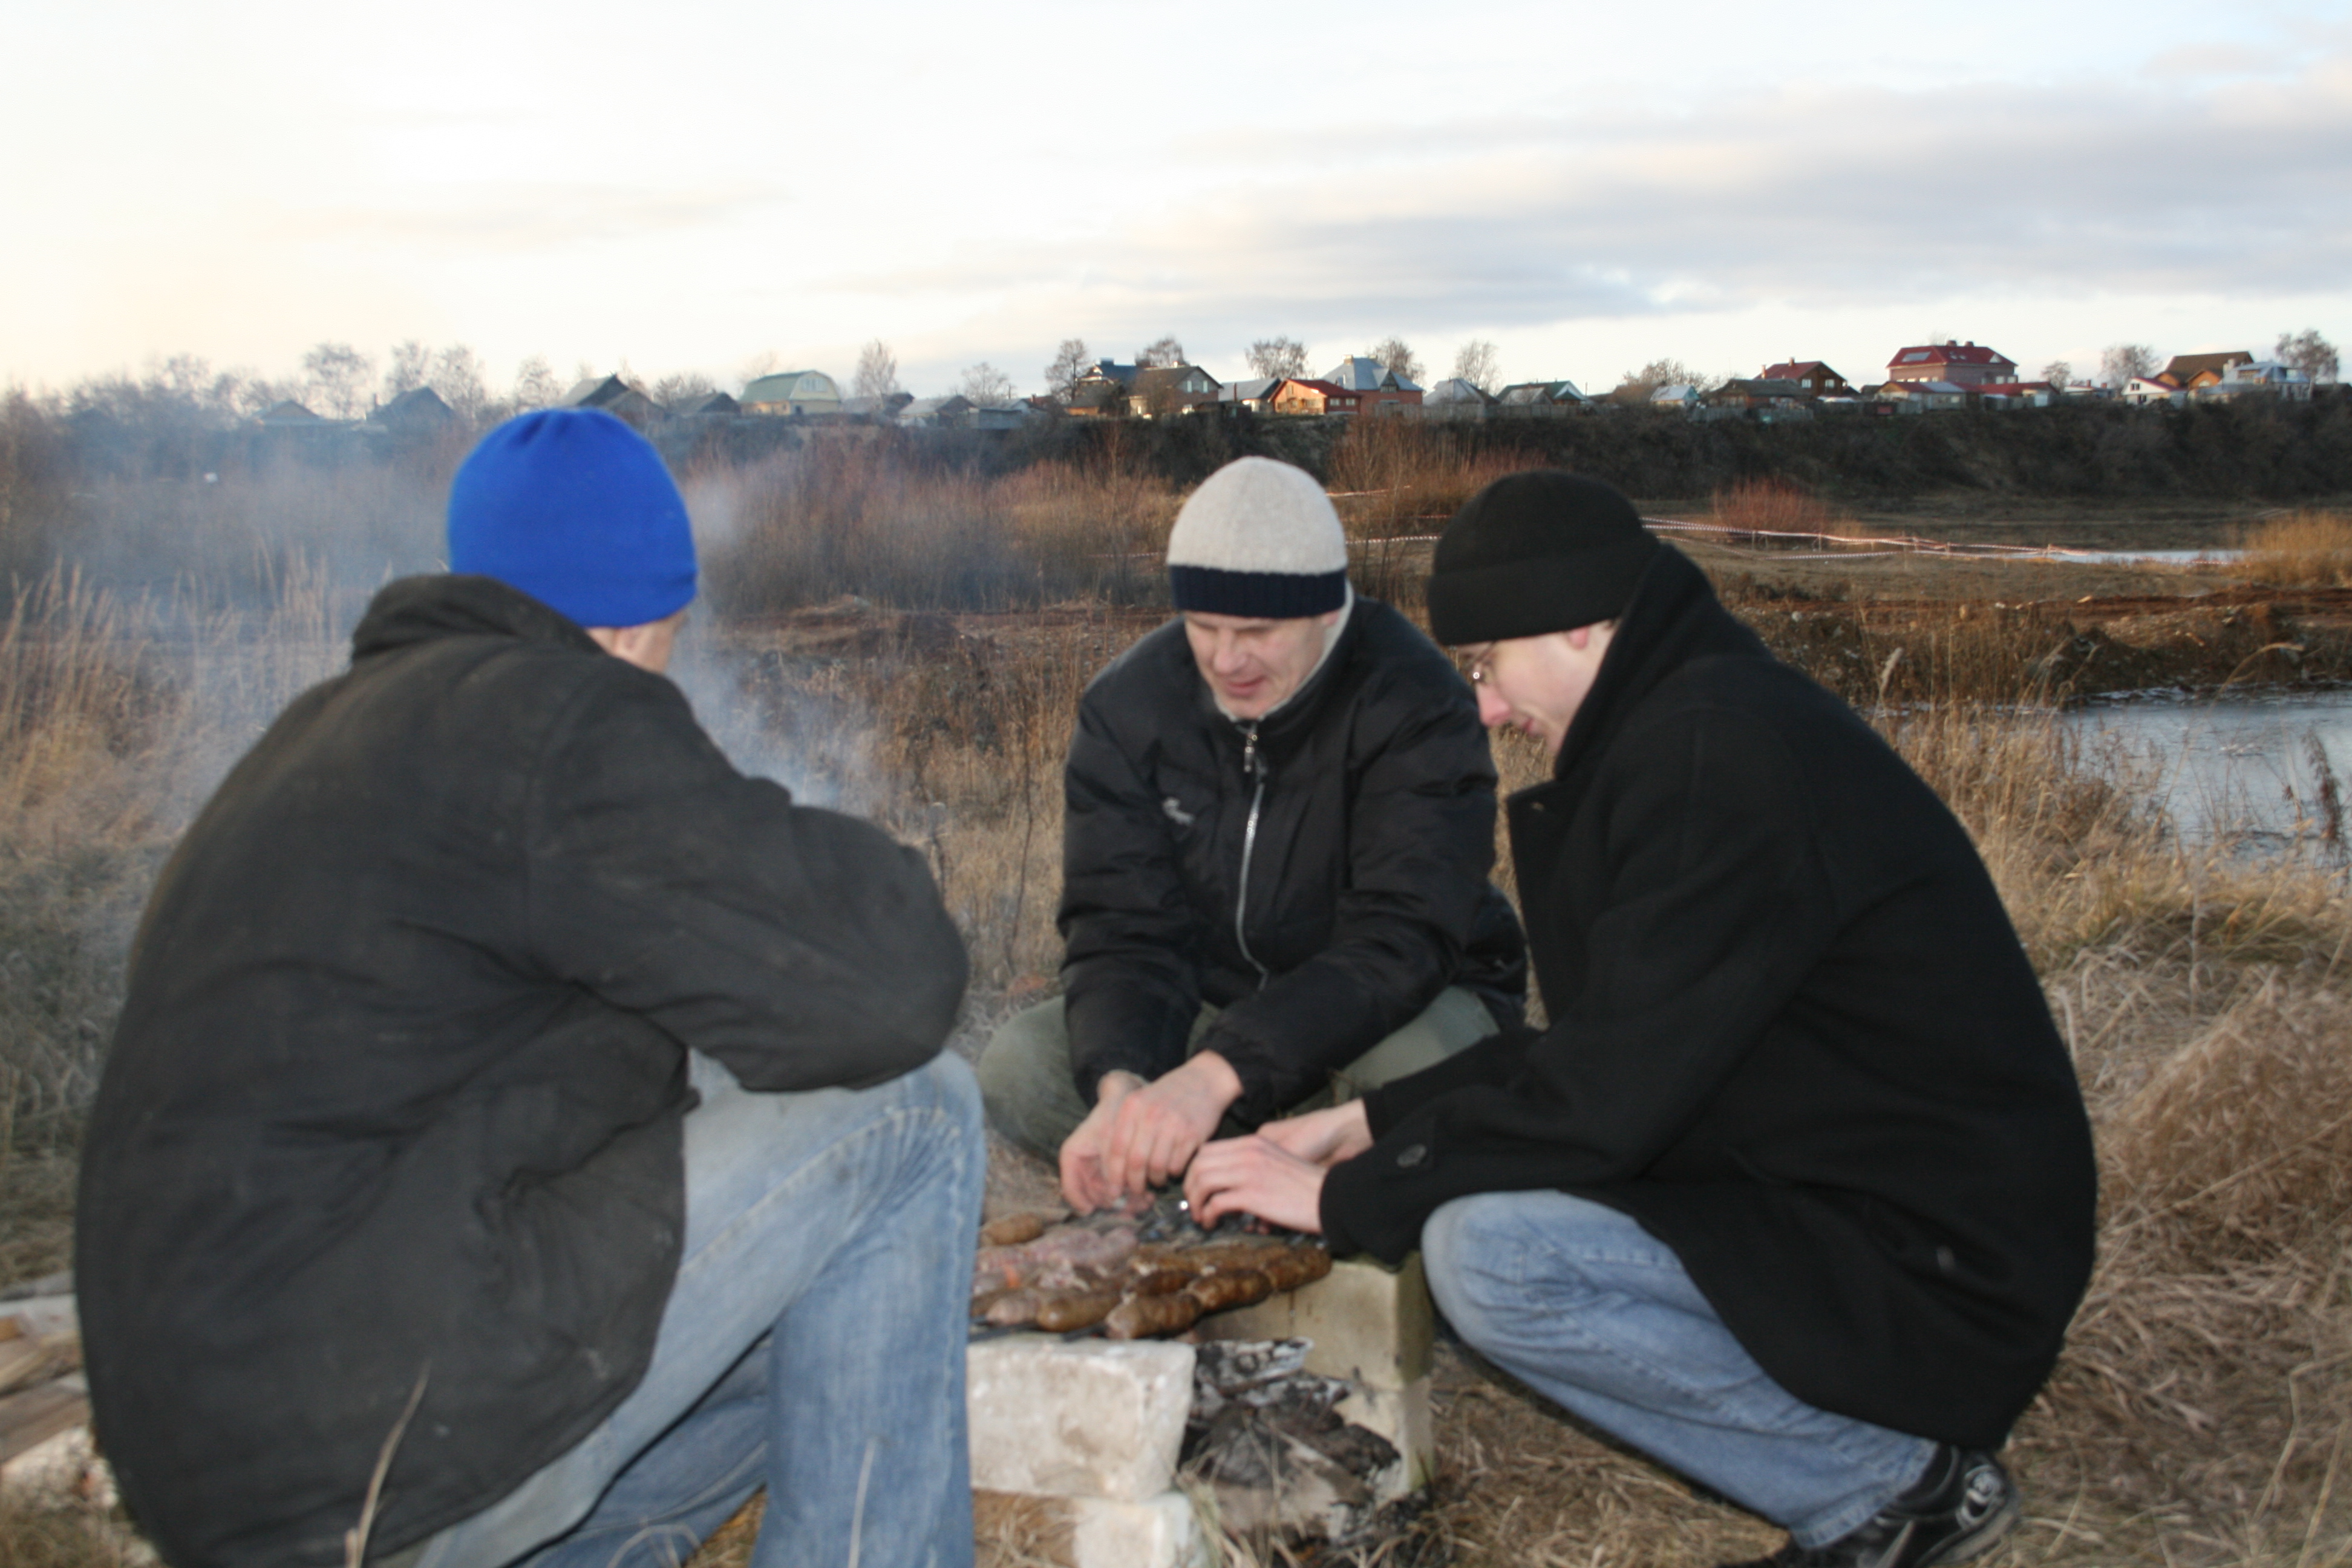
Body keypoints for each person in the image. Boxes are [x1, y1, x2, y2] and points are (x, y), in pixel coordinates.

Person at [76, 409, 983, 1568]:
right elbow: (891, 990)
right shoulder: (556, 718)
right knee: (918, 1112)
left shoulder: (319, 734)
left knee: (828, 1332)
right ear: (634, 622)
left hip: (224, 1465)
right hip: (373, 1437)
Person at [1187, 471, 2098, 1568]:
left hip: (1936, 1260)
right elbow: (1617, 1044)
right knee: (1485, 1219)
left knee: (1494, 1260)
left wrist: (1345, 1197)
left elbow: (1605, 1097)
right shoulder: (1690, 724)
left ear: (1576, 624)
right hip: (1846, 1194)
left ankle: (1899, 1489)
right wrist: (1364, 1123)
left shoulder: (1716, 758)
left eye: (1485, 664)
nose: (1485, 707)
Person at [975, 456, 1526, 1212]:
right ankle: (1247, 1176)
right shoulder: (1129, 707)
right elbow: (1123, 926)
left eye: (1258, 632)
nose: (1227, 660)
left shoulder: (1415, 701)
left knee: (1426, 1078)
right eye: (1203, 627)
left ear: (1326, 613)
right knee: (1020, 1067)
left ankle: (1301, 1177)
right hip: (1215, 1006)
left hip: (1401, 1006)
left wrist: (1215, 1077)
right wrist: (1124, 1084)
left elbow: (1402, 938)